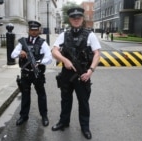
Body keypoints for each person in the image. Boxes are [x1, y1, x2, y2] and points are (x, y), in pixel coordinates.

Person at [51, 7, 101, 139]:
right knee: (65, 100)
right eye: (73, 18)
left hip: (83, 74)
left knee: (83, 102)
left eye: (78, 18)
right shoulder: (64, 35)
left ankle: (85, 127)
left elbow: (97, 54)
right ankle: (63, 122)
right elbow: (54, 51)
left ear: (82, 19)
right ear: (70, 20)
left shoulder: (90, 35)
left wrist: (90, 71)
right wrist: (65, 60)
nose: (76, 20)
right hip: (67, 74)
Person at [11, 20, 52, 127]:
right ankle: (24, 116)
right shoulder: (22, 42)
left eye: (36, 30)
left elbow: (49, 58)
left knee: (41, 95)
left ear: (39, 31)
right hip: (25, 73)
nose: (33, 32)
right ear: (28, 30)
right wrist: (20, 53)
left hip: (37, 73)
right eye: (31, 30)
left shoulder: (42, 43)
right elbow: (12, 55)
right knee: (25, 94)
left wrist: (39, 62)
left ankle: (44, 116)